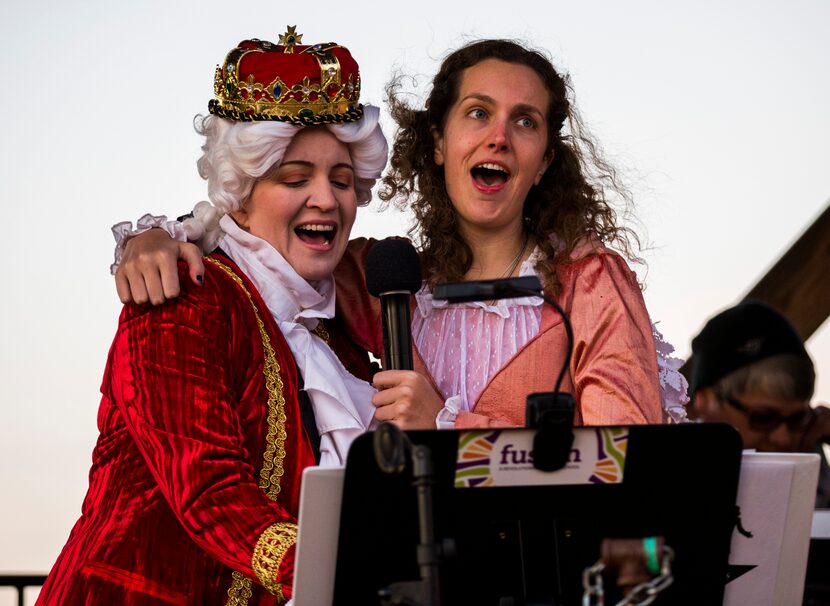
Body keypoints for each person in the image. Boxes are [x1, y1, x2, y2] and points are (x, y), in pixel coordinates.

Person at [113, 38, 683, 432]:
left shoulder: (589, 284)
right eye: (478, 113)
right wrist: (160, 237)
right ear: (437, 142)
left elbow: (625, 462)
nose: (500, 138)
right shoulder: (386, 279)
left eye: (525, 121)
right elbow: (261, 238)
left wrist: (448, 423)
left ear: (544, 160)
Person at [37, 30, 387, 605]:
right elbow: (207, 486)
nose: (326, 199)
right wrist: (347, 570)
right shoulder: (184, 294)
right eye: (295, 178)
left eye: (343, 180)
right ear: (240, 194)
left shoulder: (341, 337)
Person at [688, 300, 830, 507]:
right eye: (763, 417)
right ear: (706, 401)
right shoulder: (670, 474)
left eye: (797, 418)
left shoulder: (810, 454)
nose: (783, 439)